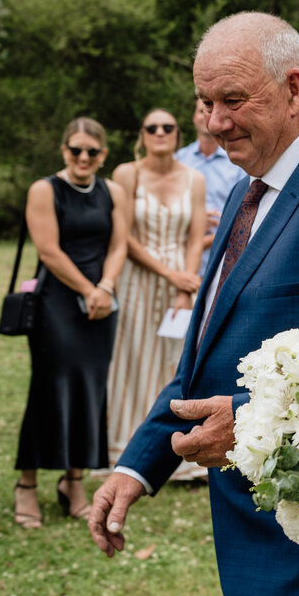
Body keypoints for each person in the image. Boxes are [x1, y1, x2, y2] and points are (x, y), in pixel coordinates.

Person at [88, 12, 299, 596]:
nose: (214, 121)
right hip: (259, 536)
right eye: (204, 102)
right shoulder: (244, 188)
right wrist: (137, 468)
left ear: (294, 90)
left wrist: (248, 419)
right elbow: (204, 355)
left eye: (233, 100)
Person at [13, 118, 128, 529]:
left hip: (102, 299)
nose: (83, 158)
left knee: (90, 389)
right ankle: (26, 484)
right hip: (57, 302)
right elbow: (48, 249)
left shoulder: (113, 191)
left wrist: (106, 286)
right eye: (75, 150)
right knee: (50, 387)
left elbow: (118, 245)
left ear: (103, 154)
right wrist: (87, 290)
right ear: (64, 150)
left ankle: (73, 481)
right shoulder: (44, 190)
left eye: (91, 152)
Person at [106, 109, 206, 476]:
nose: (160, 133)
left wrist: (186, 284)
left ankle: (175, 455)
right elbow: (123, 237)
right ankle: (125, 449)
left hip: (180, 282)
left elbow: (196, 238)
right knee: (131, 360)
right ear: (142, 135)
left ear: (178, 134)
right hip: (137, 279)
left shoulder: (194, 179)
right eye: (152, 128)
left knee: (173, 363)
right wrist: (169, 274)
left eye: (168, 127)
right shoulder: (126, 174)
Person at [174, 99, 245, 276]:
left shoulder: (238, 162)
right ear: (193, 118)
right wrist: (193, 220)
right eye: (202, 111)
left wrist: (209, 239)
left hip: (226, 257)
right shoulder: (179, 159)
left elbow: (246, 211)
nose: (208, 116)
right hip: (181, 261)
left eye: (214, 111)